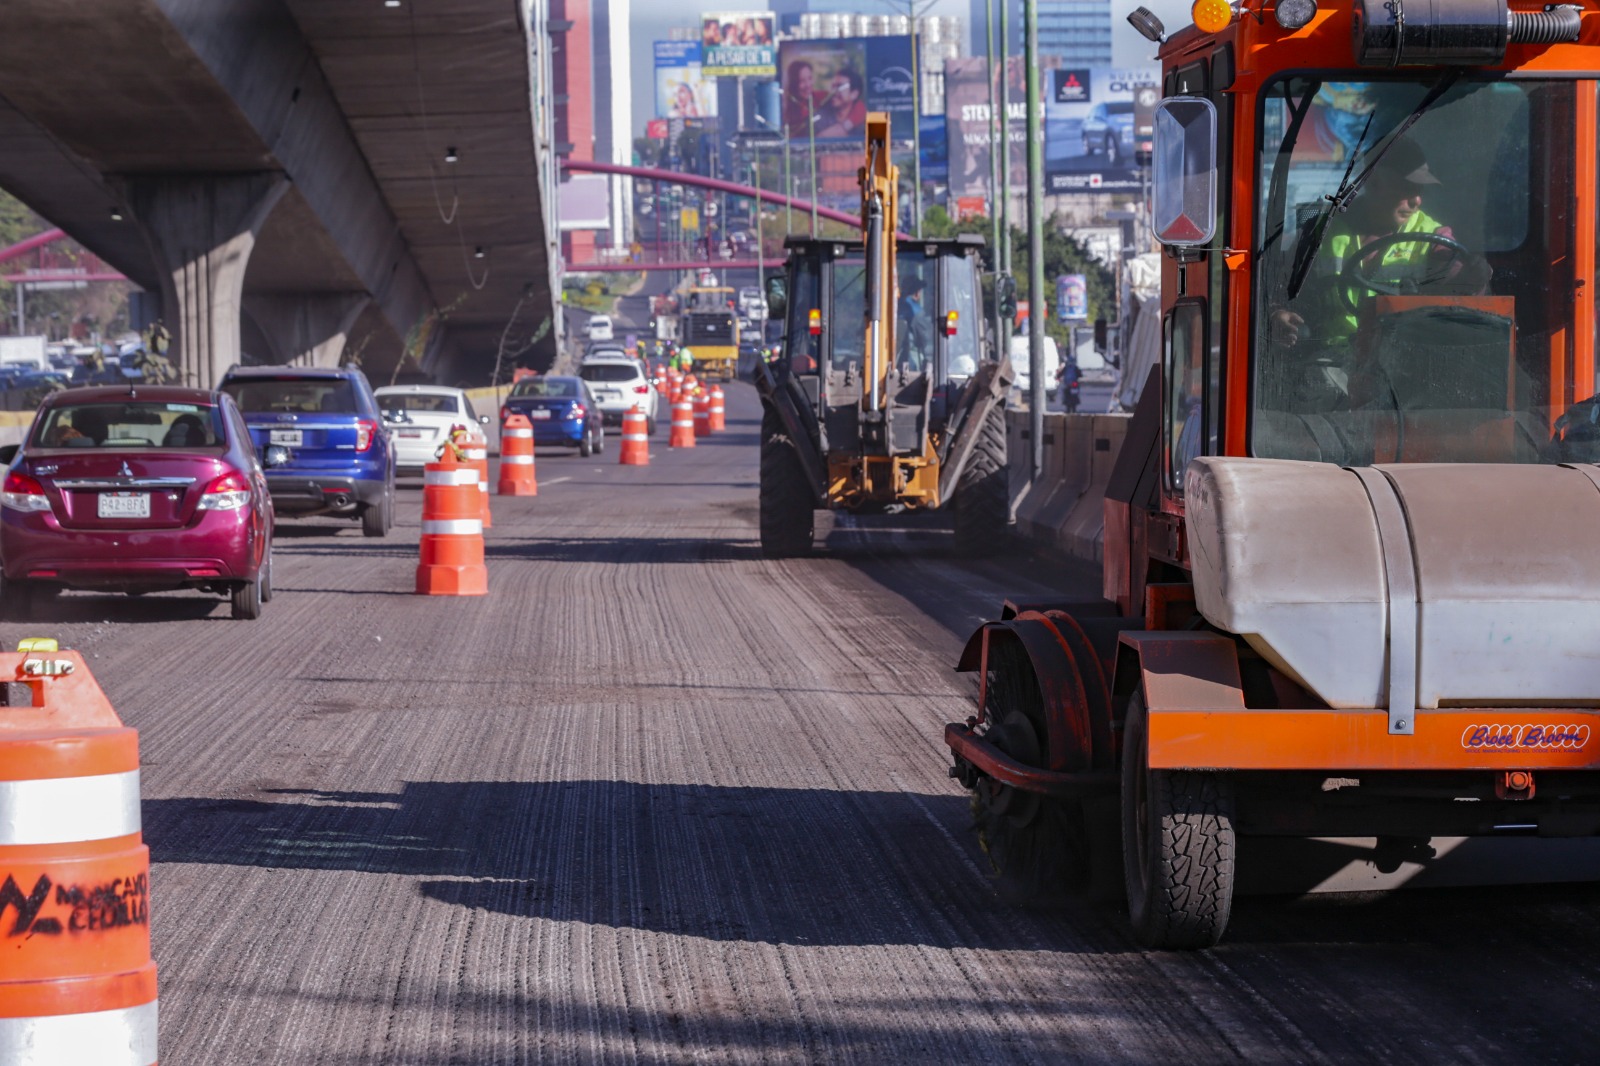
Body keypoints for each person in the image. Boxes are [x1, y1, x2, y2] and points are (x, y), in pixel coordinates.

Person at [1270, 138, 1487, 351]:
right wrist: (1277, 313)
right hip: (1327, 359)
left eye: (1419, 190)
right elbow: (1279, 284)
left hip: (1396, 363)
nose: (1416, 200)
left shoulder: (1434, 237)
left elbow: (1456, 277)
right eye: (1406, 188)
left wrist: (1470, 279)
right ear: (1373, 184)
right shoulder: (1320, 228)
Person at [817, 69, 867, 139]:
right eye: (833, 86)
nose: (833, 92)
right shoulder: (820, 118)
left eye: (840, 87)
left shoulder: (864, 123)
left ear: (854, 94)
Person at [897, 276, 931, 371]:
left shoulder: (890, 306)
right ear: (917, 293)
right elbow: (926, 340)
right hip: (907, 364)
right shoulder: (916, 311)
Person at [784, 61, 825, 138]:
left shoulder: (821, 97)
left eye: (810, 78)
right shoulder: (786, 111)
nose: (808, 85)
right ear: (793, 84)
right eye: (802, 81)